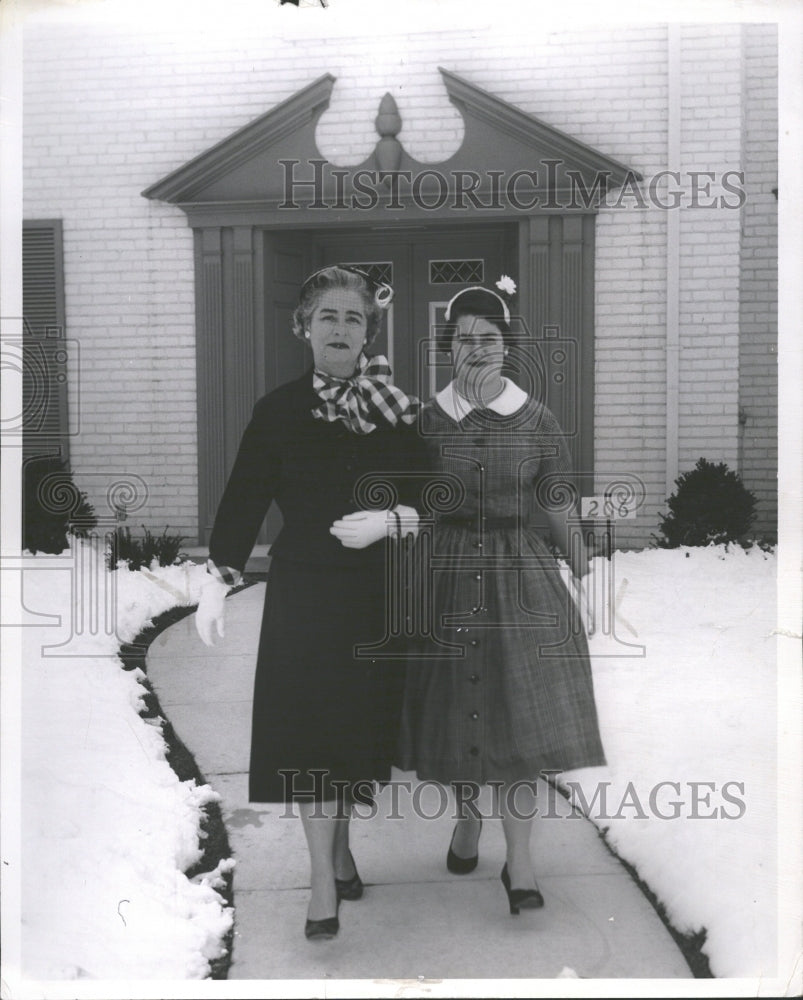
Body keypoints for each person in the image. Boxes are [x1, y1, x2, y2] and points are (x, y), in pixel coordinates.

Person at [194, 265, 422, 941]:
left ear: (367, 333)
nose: (341, 329)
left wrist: (395, 520)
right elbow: (244, 496)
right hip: (304, 595)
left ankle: (341, 851)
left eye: (354, 318)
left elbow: (438, 493)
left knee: (349, 735)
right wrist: (217, 575)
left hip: (374, 594)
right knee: (308, 736)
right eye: (328, 316)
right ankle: (322, 880)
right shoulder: (279, 410)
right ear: (304, 327)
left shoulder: (393, 408)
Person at [400, 280, 605, 916]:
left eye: (489, 339)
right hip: (447, 575)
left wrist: (584, 569)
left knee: (518, 716)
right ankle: (467, 822)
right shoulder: (426, 421)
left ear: (507, 347)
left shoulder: (539, 419)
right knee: (460, 711)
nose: (477, 349)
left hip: (521, 575)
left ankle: (520, 862)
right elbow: (407, 505)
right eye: (465, 339)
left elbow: (557, 499)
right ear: (448, 349)